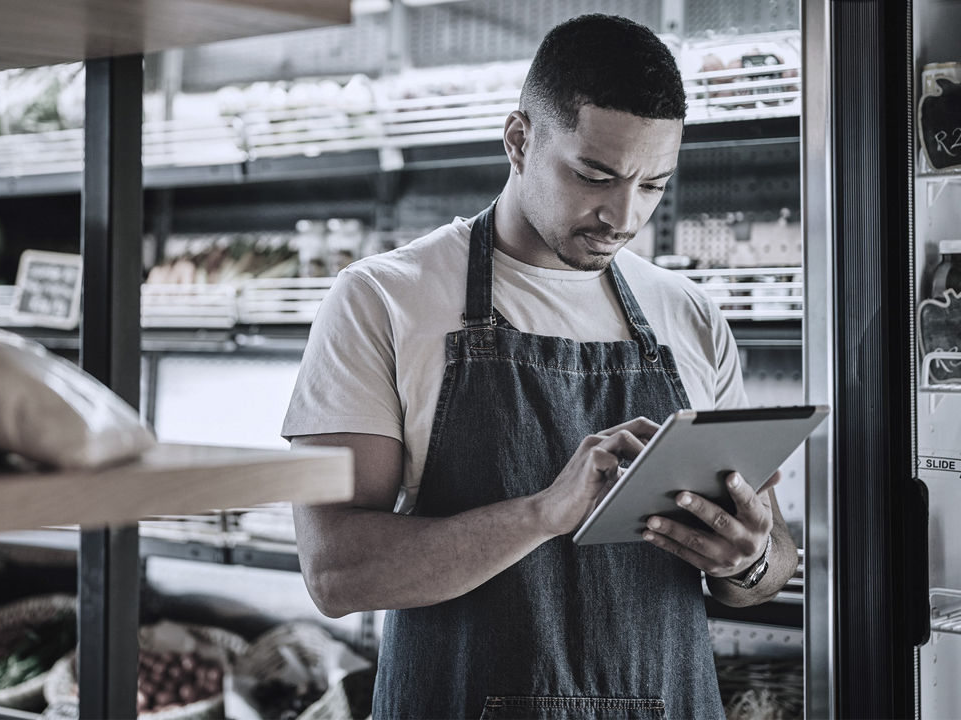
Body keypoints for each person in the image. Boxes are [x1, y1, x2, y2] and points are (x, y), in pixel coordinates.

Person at [281, 13, 798, 720]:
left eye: (653, 185)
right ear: (519, 139)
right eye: (595, 175)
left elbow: (770, 564)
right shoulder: (384, 299)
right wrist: (543, 513)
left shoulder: (690, 315)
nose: (622, 215)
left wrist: (748, 559)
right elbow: (335, 571)